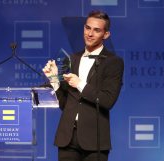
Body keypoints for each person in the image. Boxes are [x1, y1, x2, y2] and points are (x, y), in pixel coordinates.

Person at [42, 10, 124, 161]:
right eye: (87, 28)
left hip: (94, 141)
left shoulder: (113, 62)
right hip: (67, 139)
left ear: (106, 35)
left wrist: (80, 84)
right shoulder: (71, 59)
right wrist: (54, 80)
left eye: (96, 30)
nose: (90, 33)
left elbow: (107, 100)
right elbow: (65, 104)